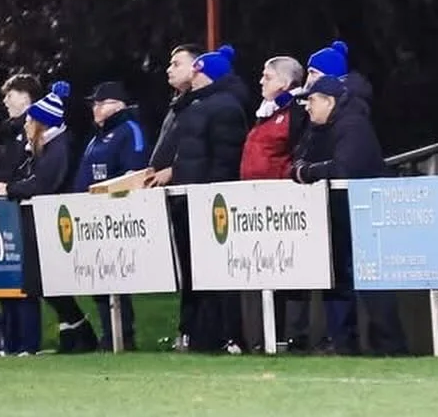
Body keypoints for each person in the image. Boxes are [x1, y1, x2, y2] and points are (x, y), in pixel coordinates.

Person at [294, 49, 408, 358]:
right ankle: (347, 343)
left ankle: (390, 344)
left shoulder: (353, 125)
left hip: (366, 213)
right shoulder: (323, 128)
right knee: (344, 279)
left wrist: (308, 172)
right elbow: (302, 162)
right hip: (341, 212)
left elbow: (343, 168)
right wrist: (306, 170)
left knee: (371, 282)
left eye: (311, 101)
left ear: (329, 101)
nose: (306, 107)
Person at [147, 44, 249, 353]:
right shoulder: (195, 105)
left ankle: (226, 335)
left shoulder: (224, 107)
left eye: (195, 68)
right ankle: (202, 334)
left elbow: (222, 158)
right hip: (189, 199)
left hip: (207, 201)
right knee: (195, 271)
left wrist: (204, 193)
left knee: (216, 271)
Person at [0, 81, 99, 355]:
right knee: (47, 287)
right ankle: (76, 336)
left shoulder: (58, 148)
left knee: (50, 284)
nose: (26, 125)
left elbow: (43, 183)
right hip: (40, 221)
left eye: (31, 121)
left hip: (52, 223)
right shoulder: (43, 148)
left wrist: (11, 189)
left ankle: (81, 335)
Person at [73, 80, 150, 349]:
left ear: (117, 104)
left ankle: (122, 336)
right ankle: (109, 334)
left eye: (100, 102)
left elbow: (135, 173)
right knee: (98, 278)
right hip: (91, 217)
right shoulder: (98, 136)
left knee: (115, 278)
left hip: (114, 216)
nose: (95, 108)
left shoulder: (129, 130)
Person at [241, 55, 309, 349]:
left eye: (267, 77)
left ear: (284, 82)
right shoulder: (266, 112)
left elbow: (297, 152)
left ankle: (296, 335)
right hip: (261, 206)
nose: (261, 81)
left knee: (294, 271)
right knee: (271, 269)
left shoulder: (295, 112)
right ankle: (274, 336)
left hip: (286, 205)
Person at [145, 42, 202, 349]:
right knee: (185, 270)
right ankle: (187, 330)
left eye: (176, 63)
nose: (169, 69)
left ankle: (195, 332)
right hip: (173, 197)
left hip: (190, 196)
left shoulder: (197, 106)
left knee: (196, 269)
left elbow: (194, 151)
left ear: (197, 67)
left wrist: (173, 171)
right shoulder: (178, 104)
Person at [0, 72, 41, 192]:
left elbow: (39, 176)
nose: (5, 101)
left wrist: (10, 189)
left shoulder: (40, 127)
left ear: (25, 97)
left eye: (9, 96)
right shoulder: (12, 130)